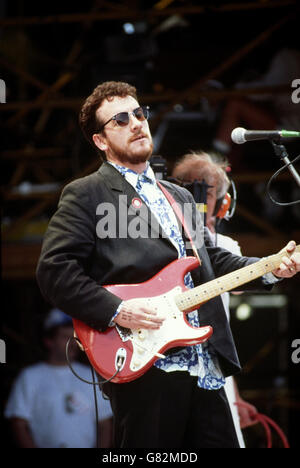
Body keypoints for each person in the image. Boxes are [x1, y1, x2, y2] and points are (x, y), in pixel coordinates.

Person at [35, 81, 300, 448]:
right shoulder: (86, 193)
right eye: (121, 119)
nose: (136, 123)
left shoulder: (176, 194)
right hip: (146, 358)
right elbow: (54, 271)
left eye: (139, 114)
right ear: (100, 141)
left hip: (205, 362)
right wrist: (118, 310)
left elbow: (211, 260)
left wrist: (272, 266)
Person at [172, 151, 259, 448]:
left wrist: (234, 398)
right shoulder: (217, 243)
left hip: (208, 369)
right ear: (225, 205)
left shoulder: (222, 245)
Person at [4, 308, 114, 448]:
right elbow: (18, 423)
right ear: (49, 341)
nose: (72, 343)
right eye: (65, 337)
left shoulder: (90, 375)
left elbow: (105, 423)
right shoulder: (29, 376)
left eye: (74, 337)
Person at [212, 48, 300, 169]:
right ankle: (230, 168)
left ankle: (216, 157)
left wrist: (235, 89)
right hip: (286, 121)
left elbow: (266, 90)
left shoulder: (288, 57)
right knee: (240, 130)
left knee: (235, 104)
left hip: (290, 127)